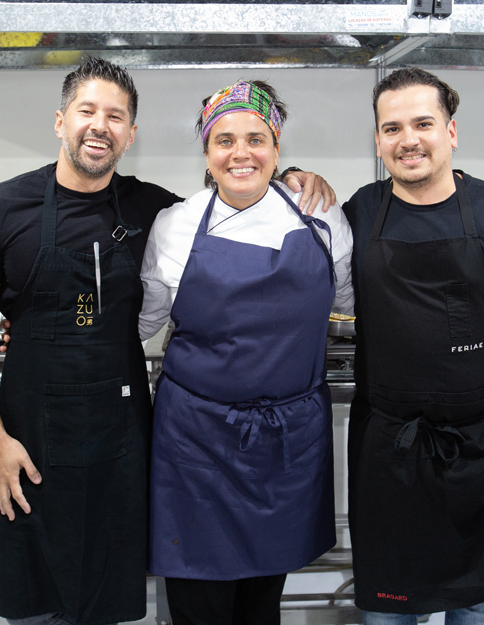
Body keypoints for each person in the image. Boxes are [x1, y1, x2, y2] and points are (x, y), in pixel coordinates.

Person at [0, 58, 332, 625]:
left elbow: (235, 192)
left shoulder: (155, 210)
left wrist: (291, 174)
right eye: (87, 111)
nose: (99, 126)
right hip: (32, 437)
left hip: (122, 439)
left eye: (116, 116)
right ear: (61, 121)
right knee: (35, 600)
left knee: (111, 594)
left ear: (131, 133)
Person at [342, 68, 484, 625]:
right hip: (388, 449)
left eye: (423, 123)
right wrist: (296, 174)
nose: (408, 139)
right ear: (377, 141)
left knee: (477, 603)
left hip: (479, 448)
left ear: (451, 131)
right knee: (387, 612)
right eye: (391, 128)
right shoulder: (360, 212)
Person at [138, 80, 354, 625]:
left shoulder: (323, 220)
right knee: (197, 602)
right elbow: (145, 321)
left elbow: (350, 302)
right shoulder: (176, 225)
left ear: (277, 150)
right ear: (207, 154)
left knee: (262, 602)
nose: (241, 153)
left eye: (256, 139)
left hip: (286, 442)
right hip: (196, 443)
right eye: (224, 140)